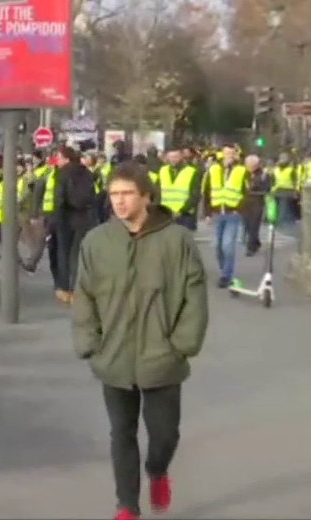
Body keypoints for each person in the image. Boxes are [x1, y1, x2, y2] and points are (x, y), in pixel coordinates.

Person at [72, 163, 209, 520]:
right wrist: (90, 342)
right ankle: (127, 507)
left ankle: (158, 471)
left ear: (146, 196)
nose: (119, 202)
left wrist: (182, 344)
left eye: (127, 194)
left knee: (164, 435)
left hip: (162, 356)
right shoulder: (97, 241)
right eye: (114, 194)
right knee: (122, 433)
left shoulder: (176, 240)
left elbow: (194, 295)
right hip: (113, 356)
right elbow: (84, 295)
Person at [54, 146, 98, 304]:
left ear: (66, 159)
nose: (57, 161)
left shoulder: (62, 174)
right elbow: (94, 196)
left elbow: (59, 199)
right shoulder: (87, 173)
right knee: (79, 254)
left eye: (58, 158)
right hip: (85, 218)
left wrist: (54, 220)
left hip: (67, 218)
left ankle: (66, 289)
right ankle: (78, 288)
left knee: (64, 254)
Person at [203, 144, 247, 289]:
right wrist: (207, 213)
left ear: (235, 155)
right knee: (218, 247)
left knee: (227, 245)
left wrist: (241, 209)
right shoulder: (214, 169)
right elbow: (207, 191)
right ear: (222, 154)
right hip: (217, 213)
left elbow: (247, 192)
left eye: (231, 153)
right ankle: (224, 269)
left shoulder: (241, 170)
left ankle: (226, 276)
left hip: (232, 213)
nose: (229, 156)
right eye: (226, 153)